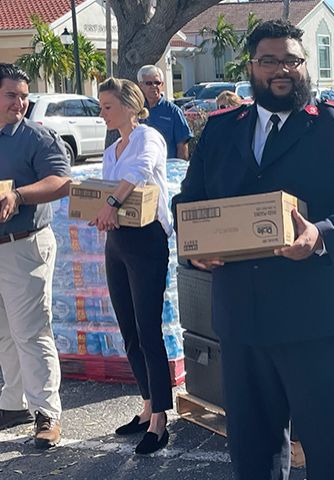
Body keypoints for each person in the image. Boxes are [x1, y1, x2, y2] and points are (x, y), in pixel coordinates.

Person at [171, 20, 334, 479]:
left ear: (305, 64)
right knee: (253, 457)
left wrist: (320, 235)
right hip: (244, 320)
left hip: (320, 321)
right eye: (269, 60)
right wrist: (195, 248)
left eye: (292, 60)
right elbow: (190, 200)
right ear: (251, 67)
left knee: (330, 458)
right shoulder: (221, 129)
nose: (282, 70)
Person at [93, 77, 173, 455]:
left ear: (128, 104)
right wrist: (101, 210)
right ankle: (146, 406)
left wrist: (109, 203)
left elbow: (139, 173)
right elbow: (108, 187)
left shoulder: (148, 137)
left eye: (108, 106)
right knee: (128, 328)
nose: (102, 113)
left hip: (146, 240)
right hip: (119, 241)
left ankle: (160, 418)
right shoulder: (113, 148)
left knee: (148, 329)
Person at [0, 63, 70, 448]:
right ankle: (13, 404)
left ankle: (48, 413)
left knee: (30, 332)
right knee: (3, 334)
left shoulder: (37, 138)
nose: (20, 103)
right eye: (12, 95)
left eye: (24, 96)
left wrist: (19, 195)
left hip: (24, 247)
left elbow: (61, 181)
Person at [137, 65, 193, 160]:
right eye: (149, 83)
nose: (154, 86)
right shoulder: (135, 110)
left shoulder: (173, 111)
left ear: (162, 85)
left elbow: (182, 146)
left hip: (167, 168)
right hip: (140, 168)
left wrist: (180, 170)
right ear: (141, 85)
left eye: (157, 83)